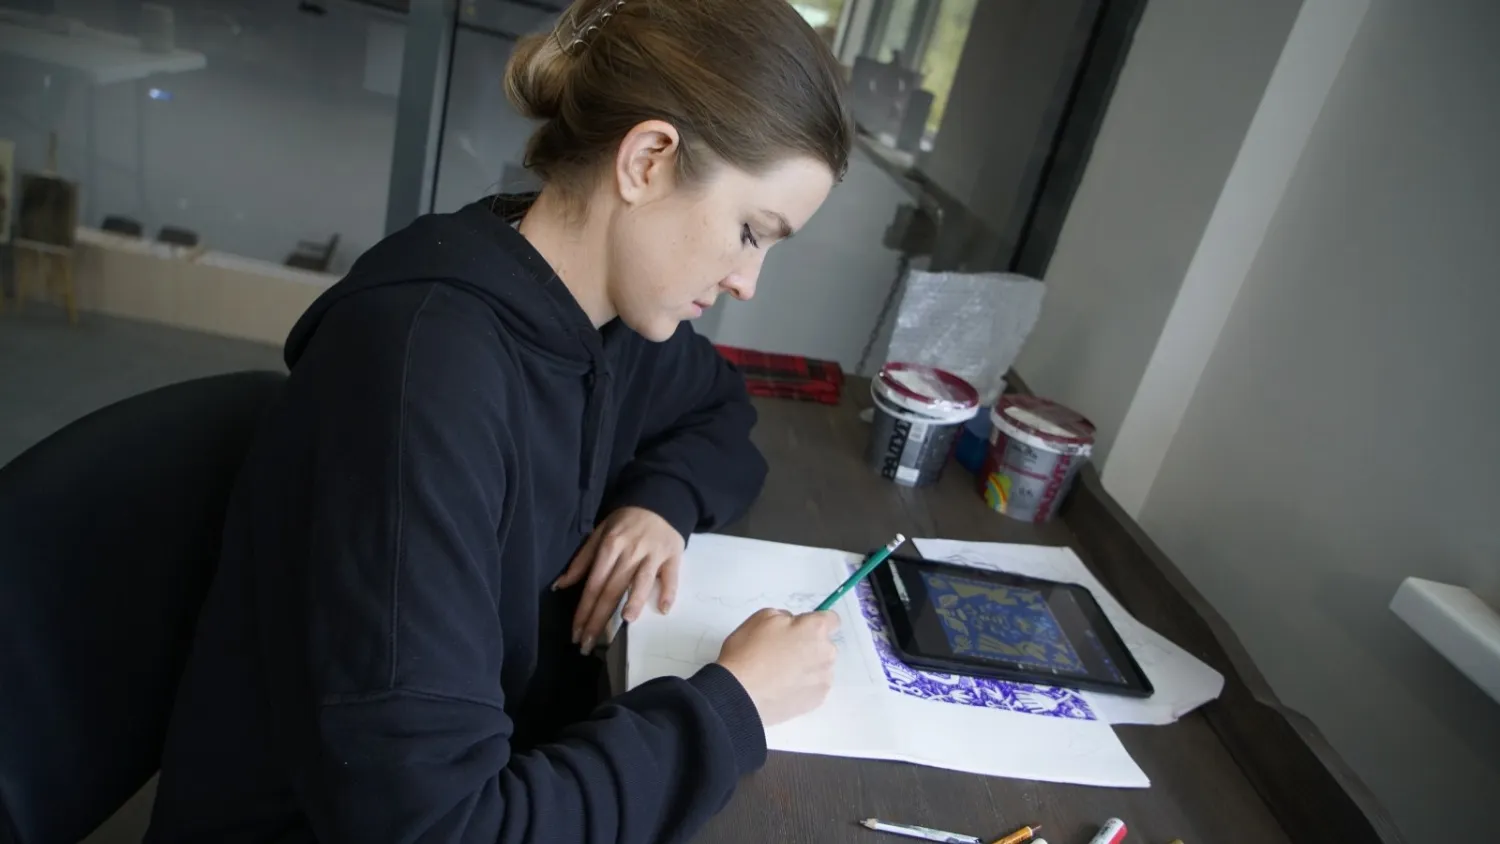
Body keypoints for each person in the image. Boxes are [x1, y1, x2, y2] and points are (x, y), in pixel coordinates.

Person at [145, 0, 852, 842]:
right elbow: (442, 827)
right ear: (648, 161)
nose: (747, 282)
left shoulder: (605, 315)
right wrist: (734, 707)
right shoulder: (420, 383)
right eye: (749, 232)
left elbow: (718, 412)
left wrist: (659, 503)